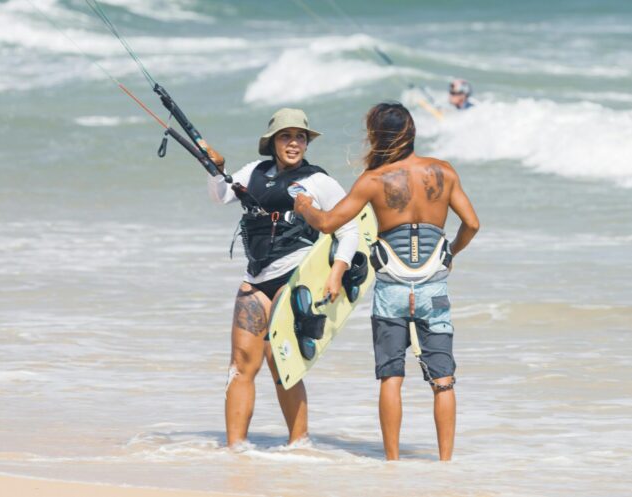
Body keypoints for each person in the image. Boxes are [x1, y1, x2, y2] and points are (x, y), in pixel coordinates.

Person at [292, 102, 480, 461]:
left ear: (376, 136)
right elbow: (472, 223)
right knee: (443, 380)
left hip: (391, 289)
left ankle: (391, 463)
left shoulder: (372, 181)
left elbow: (328, 222)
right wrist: (450, 253)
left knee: (391, 376)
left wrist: (304, 206)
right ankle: (445, 464)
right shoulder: (443, 172)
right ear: (411, 132)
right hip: (433, 289)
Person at [202, 108, 360, 448]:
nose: (294, 143)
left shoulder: (318, 180)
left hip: (296, 274)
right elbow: (221, 195)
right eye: (286, 137)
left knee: (282, 361)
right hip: (256, 278)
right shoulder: (253, 172)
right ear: (272, 141)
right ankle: (235, 449)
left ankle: (299, 445)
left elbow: (350, 230)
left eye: (300, 137)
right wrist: (215, 169)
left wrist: (337, 273)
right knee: (241, 364)